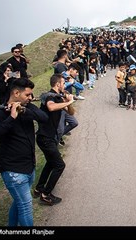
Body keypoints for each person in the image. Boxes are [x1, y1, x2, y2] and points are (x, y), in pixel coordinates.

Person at [0, 78, 48, 226]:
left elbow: (44, 118)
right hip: (14, 171)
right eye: (27, 95)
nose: (30, 98)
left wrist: (25, 110)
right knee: (25, 206)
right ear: (16, 92)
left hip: (29, 167)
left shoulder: (28, 107)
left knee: (19, 202)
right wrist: (12, 117)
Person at [35, 74, 75, 205]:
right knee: (59, 165)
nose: (65, 85)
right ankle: (46, 194)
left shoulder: (58, 97)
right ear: (58, 84)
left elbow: (71, 113)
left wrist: (68, 101)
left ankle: (38, 189)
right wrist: (68, 101)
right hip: (45, 137)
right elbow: (51, 107)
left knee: (50, 163)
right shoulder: (49, 96)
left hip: (48, 137)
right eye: (63, 83)